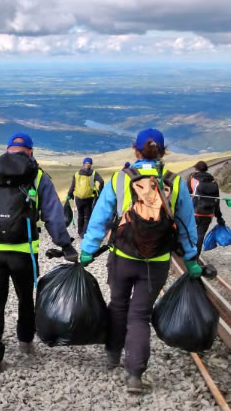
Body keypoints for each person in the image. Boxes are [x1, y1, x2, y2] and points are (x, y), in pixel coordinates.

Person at [79, 128, 199, 393]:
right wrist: (191, 260)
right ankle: (134, 374)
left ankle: (112, 354)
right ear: (163, 152)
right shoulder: (175, 182)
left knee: (118, 306)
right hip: (156, 261)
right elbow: (187, 226)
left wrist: (87, 250)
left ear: (136, 151)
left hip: (122, 256)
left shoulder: (121, 179)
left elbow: (99, 218)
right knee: (140, 315)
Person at [0, 133, 78, 375]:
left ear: (7, 149)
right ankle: (25, 341)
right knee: (25, 299)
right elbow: (52, 214)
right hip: (24, 253)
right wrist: (65, 245)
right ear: (30, 151)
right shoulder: (38, 176)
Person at [187, 160, 225, 254]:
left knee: (188, 232)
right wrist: (219, 217)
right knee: (200, 236)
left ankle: (186, 253)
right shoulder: (213, 182)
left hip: (193, 211)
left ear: (196, 169)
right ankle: (195, 257)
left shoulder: (192, 180)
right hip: (208, 214)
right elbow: (217, 200)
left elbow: (187, 195)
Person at [67, 157, 104, 238]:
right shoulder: (93, 173)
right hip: (89, 198)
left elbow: (73, 186)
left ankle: (79, 232)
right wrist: (100, 190)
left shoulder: (77, 174)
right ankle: (84, 233)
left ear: (83, 164)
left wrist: (69, 194)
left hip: (78, 198)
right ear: (91, 164)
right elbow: (101, 181)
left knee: (80, 215)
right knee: (87, 216)